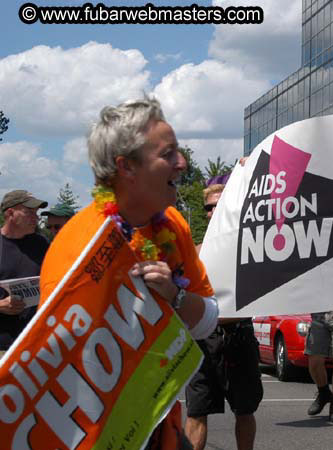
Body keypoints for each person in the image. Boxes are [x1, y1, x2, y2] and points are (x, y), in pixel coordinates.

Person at [39, 97, 218, 450]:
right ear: (127, 167)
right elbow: (58, 382)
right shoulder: (79, 250)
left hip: (161, 424)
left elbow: (208, 320)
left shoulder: (173, 224)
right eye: (168, 154)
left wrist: (175, 294)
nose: (182, 163)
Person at [185, 182, 263, 450]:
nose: (213, 211)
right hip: (203, 341)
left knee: (244, 410)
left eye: (219, 205)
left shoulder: (250, 247)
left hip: (239, 336)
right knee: (196, 412)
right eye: (209, 207)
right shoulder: (195, 252)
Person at [0, 190, 49, 352]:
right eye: (28, 212)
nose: (36, 217)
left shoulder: (41, 244)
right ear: (10, 213)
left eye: (36, 212)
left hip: (34, 346)